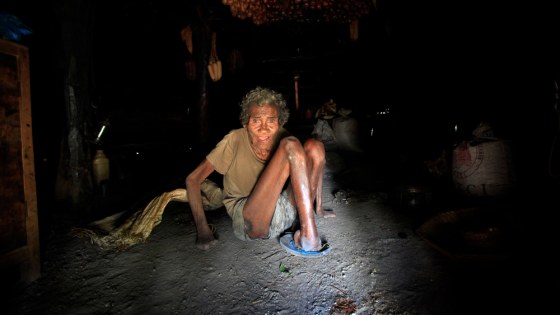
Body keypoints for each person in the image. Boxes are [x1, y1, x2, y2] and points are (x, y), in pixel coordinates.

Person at [186, 86, 335, 251]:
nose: (264, 129)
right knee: (291, 145)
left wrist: (318, 206)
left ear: (279, 122)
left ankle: (305, 224)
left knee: (315, 146)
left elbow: (314, 164)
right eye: (256, 120)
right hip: (249, 221)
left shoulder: (283, 136)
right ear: (245, 123)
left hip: (282, 211)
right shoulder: (234, 140)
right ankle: (309, 236)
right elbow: (193, 179)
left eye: (271, 120)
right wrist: (202, 230)